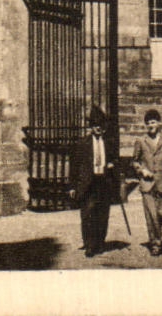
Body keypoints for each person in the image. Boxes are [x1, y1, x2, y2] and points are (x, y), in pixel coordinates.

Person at [69, 108, 116, 258]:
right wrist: (72, 186)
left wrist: (112, 165)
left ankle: (100, 243)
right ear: (91, 126)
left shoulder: (109, 142)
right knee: (88, 214)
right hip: (88, 183)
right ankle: (89, 245)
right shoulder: (83, 143)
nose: (99, 128)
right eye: (96, 125)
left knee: (102, 214)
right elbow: (74, 165)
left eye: (101, 125)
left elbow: (115, 160)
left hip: (103, 181)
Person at [131, 108, 162, 256]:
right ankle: (155, 244)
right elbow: (134, 161)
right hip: (147, 184)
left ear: (159, 123)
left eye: (153, 122)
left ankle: (157, 230)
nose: (151, 125)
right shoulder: (140, 141)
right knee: (151, 215)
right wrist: (142, 170)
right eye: (148, 123)